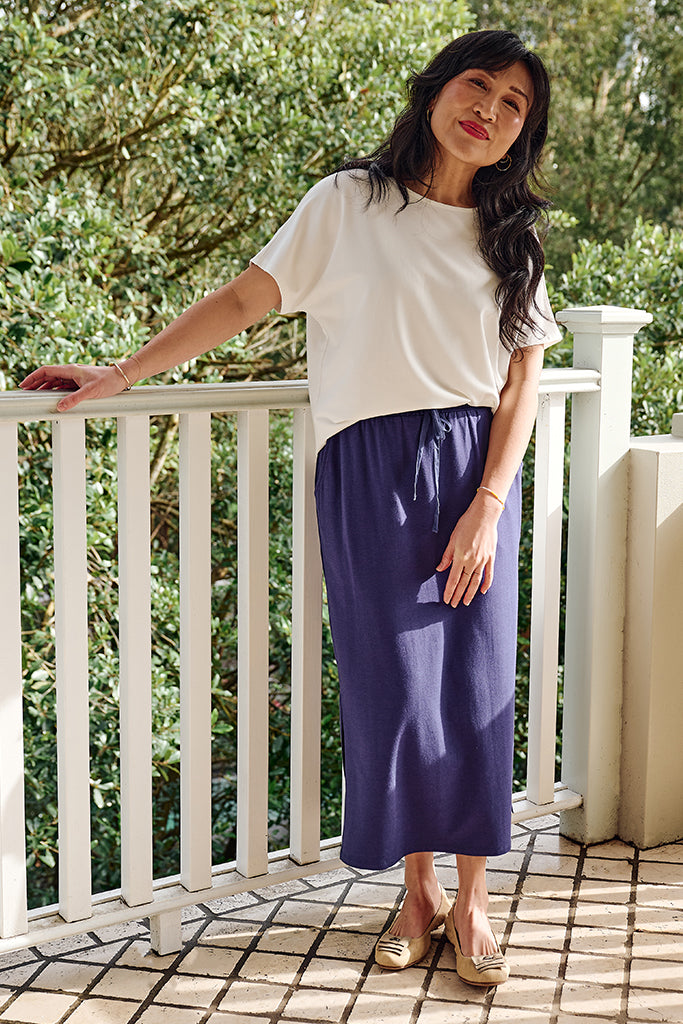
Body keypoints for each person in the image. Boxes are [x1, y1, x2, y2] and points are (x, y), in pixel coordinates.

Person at [21, 29, 562, 987]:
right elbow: (243, 301)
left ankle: (475, 899)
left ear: (522, 133)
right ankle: (419, 893)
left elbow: (520, 384)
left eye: (513, 103)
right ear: (436, 91)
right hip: (365, 466)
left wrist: (487, 501)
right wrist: (126, 372)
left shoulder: (513, 238)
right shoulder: (348, 204)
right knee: (393, 693)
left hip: (473, 468)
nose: (489, 110)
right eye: (476, 86)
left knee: (474, 691)